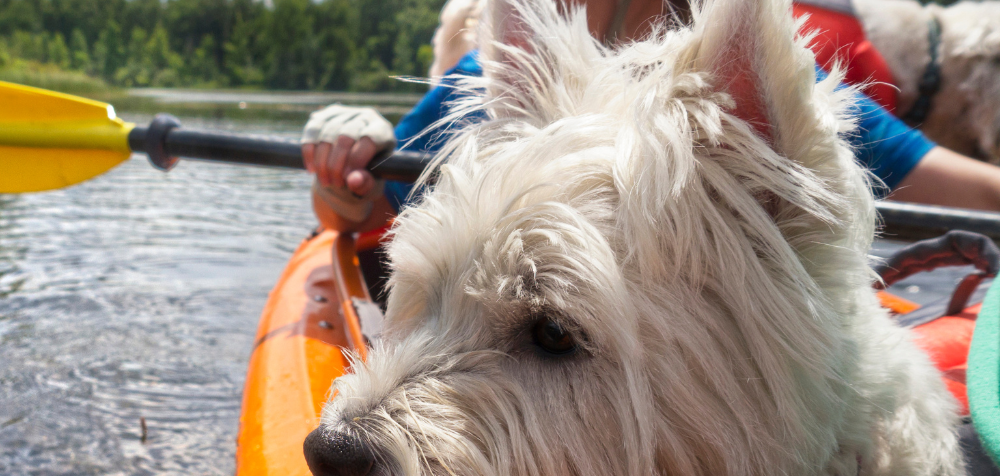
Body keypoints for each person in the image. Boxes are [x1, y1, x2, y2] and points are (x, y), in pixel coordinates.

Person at [303, 0, 1000, 234]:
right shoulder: (494, 80)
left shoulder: (764, 84)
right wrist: (342, 170)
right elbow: (362, 215)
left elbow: (970, 192)